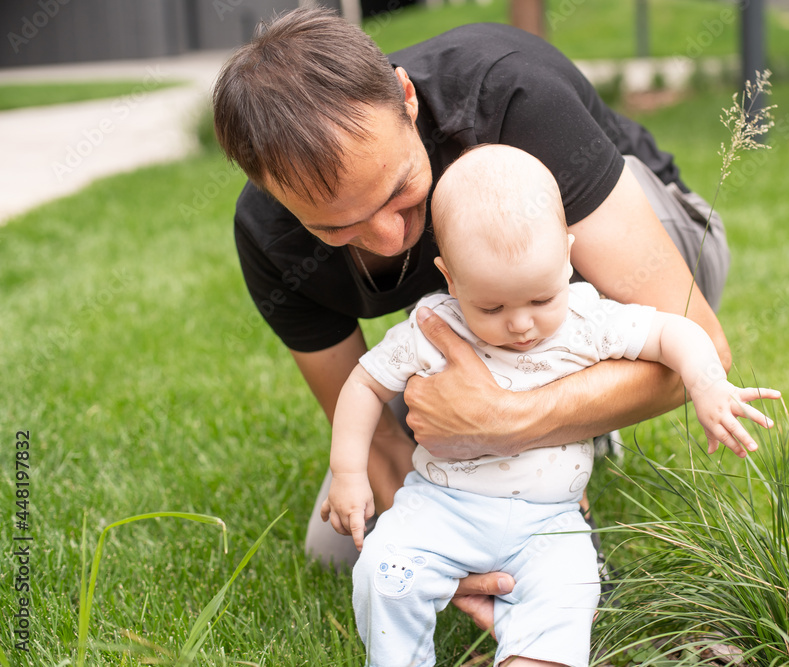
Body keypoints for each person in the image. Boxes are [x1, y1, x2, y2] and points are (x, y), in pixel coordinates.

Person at [212, 7, 734, 621]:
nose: (385, 239)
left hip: (649, 253)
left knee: (536, 310)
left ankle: (580, 428)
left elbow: (704, 346)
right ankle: (575, 427)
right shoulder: (268, 236)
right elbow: (375, 436)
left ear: (406, 97)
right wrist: (451, 553)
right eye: (338, 226)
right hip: (483, 322)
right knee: (337, 546)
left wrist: (508, 420)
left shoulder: (508, 95)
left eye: (397, 191)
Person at [319, 144, 780, 667]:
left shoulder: (587, 319)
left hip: (550, 521)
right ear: (450, 278)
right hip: (442, 508)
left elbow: (674, 332)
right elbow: (363, 384)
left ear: (567, 256)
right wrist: (349, 471)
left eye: (541, 299)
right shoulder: (435, 325)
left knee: (569, 592)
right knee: (385, 569)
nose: (520, 324)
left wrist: (708, 384)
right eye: (490, 306)